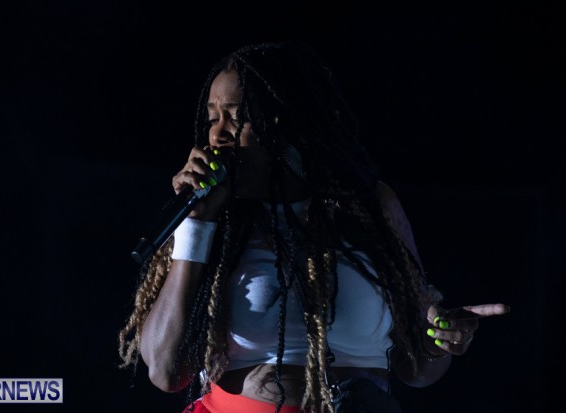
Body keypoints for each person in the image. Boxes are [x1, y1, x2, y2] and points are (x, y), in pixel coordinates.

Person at [118, 41, 510, 413]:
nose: (217, 134)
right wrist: (196, 225)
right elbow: (166, 371)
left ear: (287, 123)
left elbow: (418, 370)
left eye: (237, 118)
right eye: (212, 119)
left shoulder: (369, 207)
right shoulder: (220, 225)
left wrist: (439, 343)